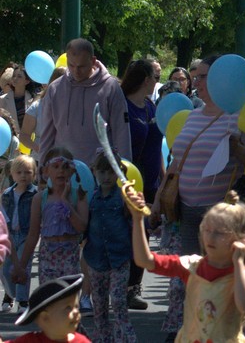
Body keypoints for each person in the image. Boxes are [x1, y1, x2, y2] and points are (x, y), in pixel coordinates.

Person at [157, 54, 245, 339]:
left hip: (220, 219)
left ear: (224, 79)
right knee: (191, 281)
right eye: (196, 76)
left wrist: (240, 150)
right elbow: (175, 163)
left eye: (205, 76)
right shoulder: (193, 114)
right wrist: (159, 199)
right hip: (187, 212)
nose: (198, 81)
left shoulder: (240, 117)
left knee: (223, 284)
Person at [128, 189, 245, 343]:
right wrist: (137, 219)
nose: (210, 237)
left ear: (240, 240)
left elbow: (244, 304)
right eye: (207, 230)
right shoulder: (192, 266)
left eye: (219, 233)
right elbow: (145, 260)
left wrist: (238, 263)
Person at [38, 39, 130, 165]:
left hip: (100, 172)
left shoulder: (111, 88)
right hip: (63, 171)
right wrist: (42, 172)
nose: (76, 70)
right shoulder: (55, 88)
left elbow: (122, 133)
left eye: (81, 66)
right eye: (71, 65)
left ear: (92, 61)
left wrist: (125, 171)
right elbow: (46, 136)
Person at [120, 59, 162, 310]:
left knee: (143, 234)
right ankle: (115, 285)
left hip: (151, 181)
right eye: (155, 78)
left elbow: (158, 147)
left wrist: (166, 178)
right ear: (145, 80)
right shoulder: (122, 105)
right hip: (127, 181)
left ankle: (133, 288)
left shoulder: (150, 106)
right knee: (121, 233)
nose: (157, 82)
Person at [13, 149, 89, 287]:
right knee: (49, 301)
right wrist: (21, 266)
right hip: (47, 257)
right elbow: (33, 235)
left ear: (72, 171)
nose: (61, 171)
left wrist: (66, 203)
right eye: (55, 166)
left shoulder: (78, 196)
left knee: (68, 302)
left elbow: (81, 227)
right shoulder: (40, 198)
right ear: (46, 171)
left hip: (70, 257)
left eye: (65, 167)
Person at [84, 151, 137, 343]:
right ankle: (103, 339)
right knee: (99, 306)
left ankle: (126, 338)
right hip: (96, 259)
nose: (106, 177)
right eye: (102, 172)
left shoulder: (123, 197)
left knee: (118, 301)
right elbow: (84, 225)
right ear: (94, 172)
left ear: (119, 172)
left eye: (111, 172)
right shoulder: (91, 197)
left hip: (119, 258)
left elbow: (135, 223)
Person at [2, 155, 38, 314]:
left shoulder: (36, 194)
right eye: (19, 172)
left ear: (34, 174)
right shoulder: (7, 194)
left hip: (26, 234)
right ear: (12, 174)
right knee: (6, 269)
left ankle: (23, 301)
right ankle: (10, 296)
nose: (23, 175)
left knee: (24, 266)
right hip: (9, 234)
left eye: (28, 172)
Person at [11, 273, 91, 343]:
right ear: (44, 318)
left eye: (76, 306)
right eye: (68, 308)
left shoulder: (81, 341)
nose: (76, 312)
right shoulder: (29, 341)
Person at [19, 67, 68, 153]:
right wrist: (37, 147)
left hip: (67, 159)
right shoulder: (37, 106)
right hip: (41, 159)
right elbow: (24, 135)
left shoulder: (74, 106)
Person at [0, 63, 37, 134]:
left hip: (29, 140)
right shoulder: (2, 100)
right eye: (13, 76)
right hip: (11, 141)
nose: (15, 79)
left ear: (27, 81)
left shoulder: (34, 100)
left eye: (19, 76)